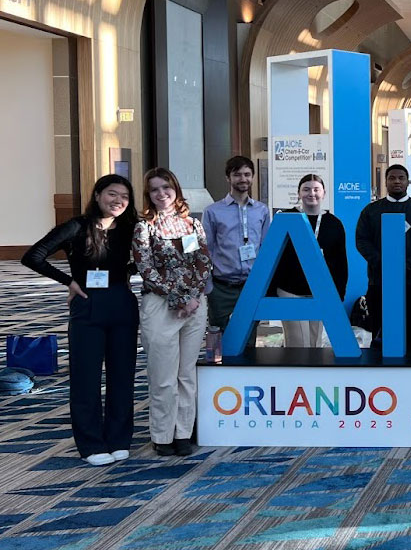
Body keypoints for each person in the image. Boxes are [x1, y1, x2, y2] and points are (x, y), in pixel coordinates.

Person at [21, 175, 140, 466]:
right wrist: (69, 281)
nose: (118, 201)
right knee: (86, 379)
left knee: (122, 377)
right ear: (97, 194)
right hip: (87, 308)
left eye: (124, 196)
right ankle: (90, 444)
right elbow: (33, 256)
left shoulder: (131, 229)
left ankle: (119, 438)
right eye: (112, 194)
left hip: (123, 306)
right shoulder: (77, 226)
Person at [132, 168, 212, 457]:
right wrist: (178, 298)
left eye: (166, 187)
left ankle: (183, 432)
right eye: (154, 189)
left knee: (186, 374)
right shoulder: (145, 227)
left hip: (195, 305)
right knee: (163, 375)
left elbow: (203, 262)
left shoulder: (192, 224)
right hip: (161, 305)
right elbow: (146, 270)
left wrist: (191, 298)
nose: (161, 193)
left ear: (176, 189)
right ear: (148, 195)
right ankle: (162, 434)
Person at [355, 165, 411, 352]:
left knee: (410, 330)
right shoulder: (371, 211)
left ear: (407, 181)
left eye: (401, 178)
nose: (397, 181)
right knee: (379, 330)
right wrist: (384, 264)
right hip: (379, 281)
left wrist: (407, 266)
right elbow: (362, 240)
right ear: (386, 182)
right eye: (392, 178)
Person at [272, 174, 348, 348]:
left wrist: (339, 293)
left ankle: (312, 376)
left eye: (316, 189)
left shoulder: (334, 224)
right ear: (298, 193)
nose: (311, 193)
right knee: (298, 344)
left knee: (314, 344)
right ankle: (295, 376)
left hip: (320, 292)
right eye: (306, 189)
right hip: (290, 291)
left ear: (324, 193)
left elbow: (340, 263)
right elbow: (276, 257)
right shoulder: (287, 218)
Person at [201, 156, 270, 341]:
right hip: (222, 286)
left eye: (247, 174)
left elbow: (265, 250)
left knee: (249, 338)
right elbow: (206, 250)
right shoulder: (212, 211)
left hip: (251, 285)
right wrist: (208, 287)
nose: (243, 179)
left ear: (253, 177)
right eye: (237, 174)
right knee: (219, 340)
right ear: (228, 178)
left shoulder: (262, 211)